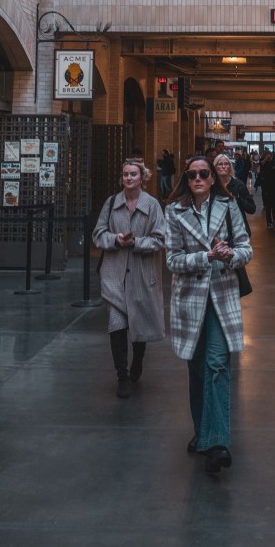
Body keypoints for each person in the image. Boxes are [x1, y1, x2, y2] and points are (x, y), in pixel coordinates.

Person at [165, 155, 252, 475]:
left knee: (217, 364)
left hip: (222, 298)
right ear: (186, 180)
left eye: (204, 173)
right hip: (189, 302)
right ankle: (202, 432)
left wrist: (230, 255)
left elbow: (246, 248)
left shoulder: (228, 207)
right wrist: (206, 256)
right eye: (192, 174)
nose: (198, 178)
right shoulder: (173, 212)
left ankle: (218, 443)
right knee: (198, 368)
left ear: (214, 178)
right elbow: (172, 260)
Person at [92, 158, 166, 398]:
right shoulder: (112, 203)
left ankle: (138, 360)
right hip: (114, 274)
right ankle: (121, 375)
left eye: (133, 174)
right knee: (116, 324)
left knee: (138, 323)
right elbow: (98, 233)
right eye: (125, 174)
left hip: (142, 274)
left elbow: (160, 239)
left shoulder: (153, 205)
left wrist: (135, 242)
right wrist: (115, 240)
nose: (129, 178)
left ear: (142, 177)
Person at [214, 152, 256, 220]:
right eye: (220, 164)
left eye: (226, 164)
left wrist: (238, 198)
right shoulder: (211, 185)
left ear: (230, 166)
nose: (223, 166)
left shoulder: (238, 184)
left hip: (237, 223)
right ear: (215, 167)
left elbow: (252, 209)